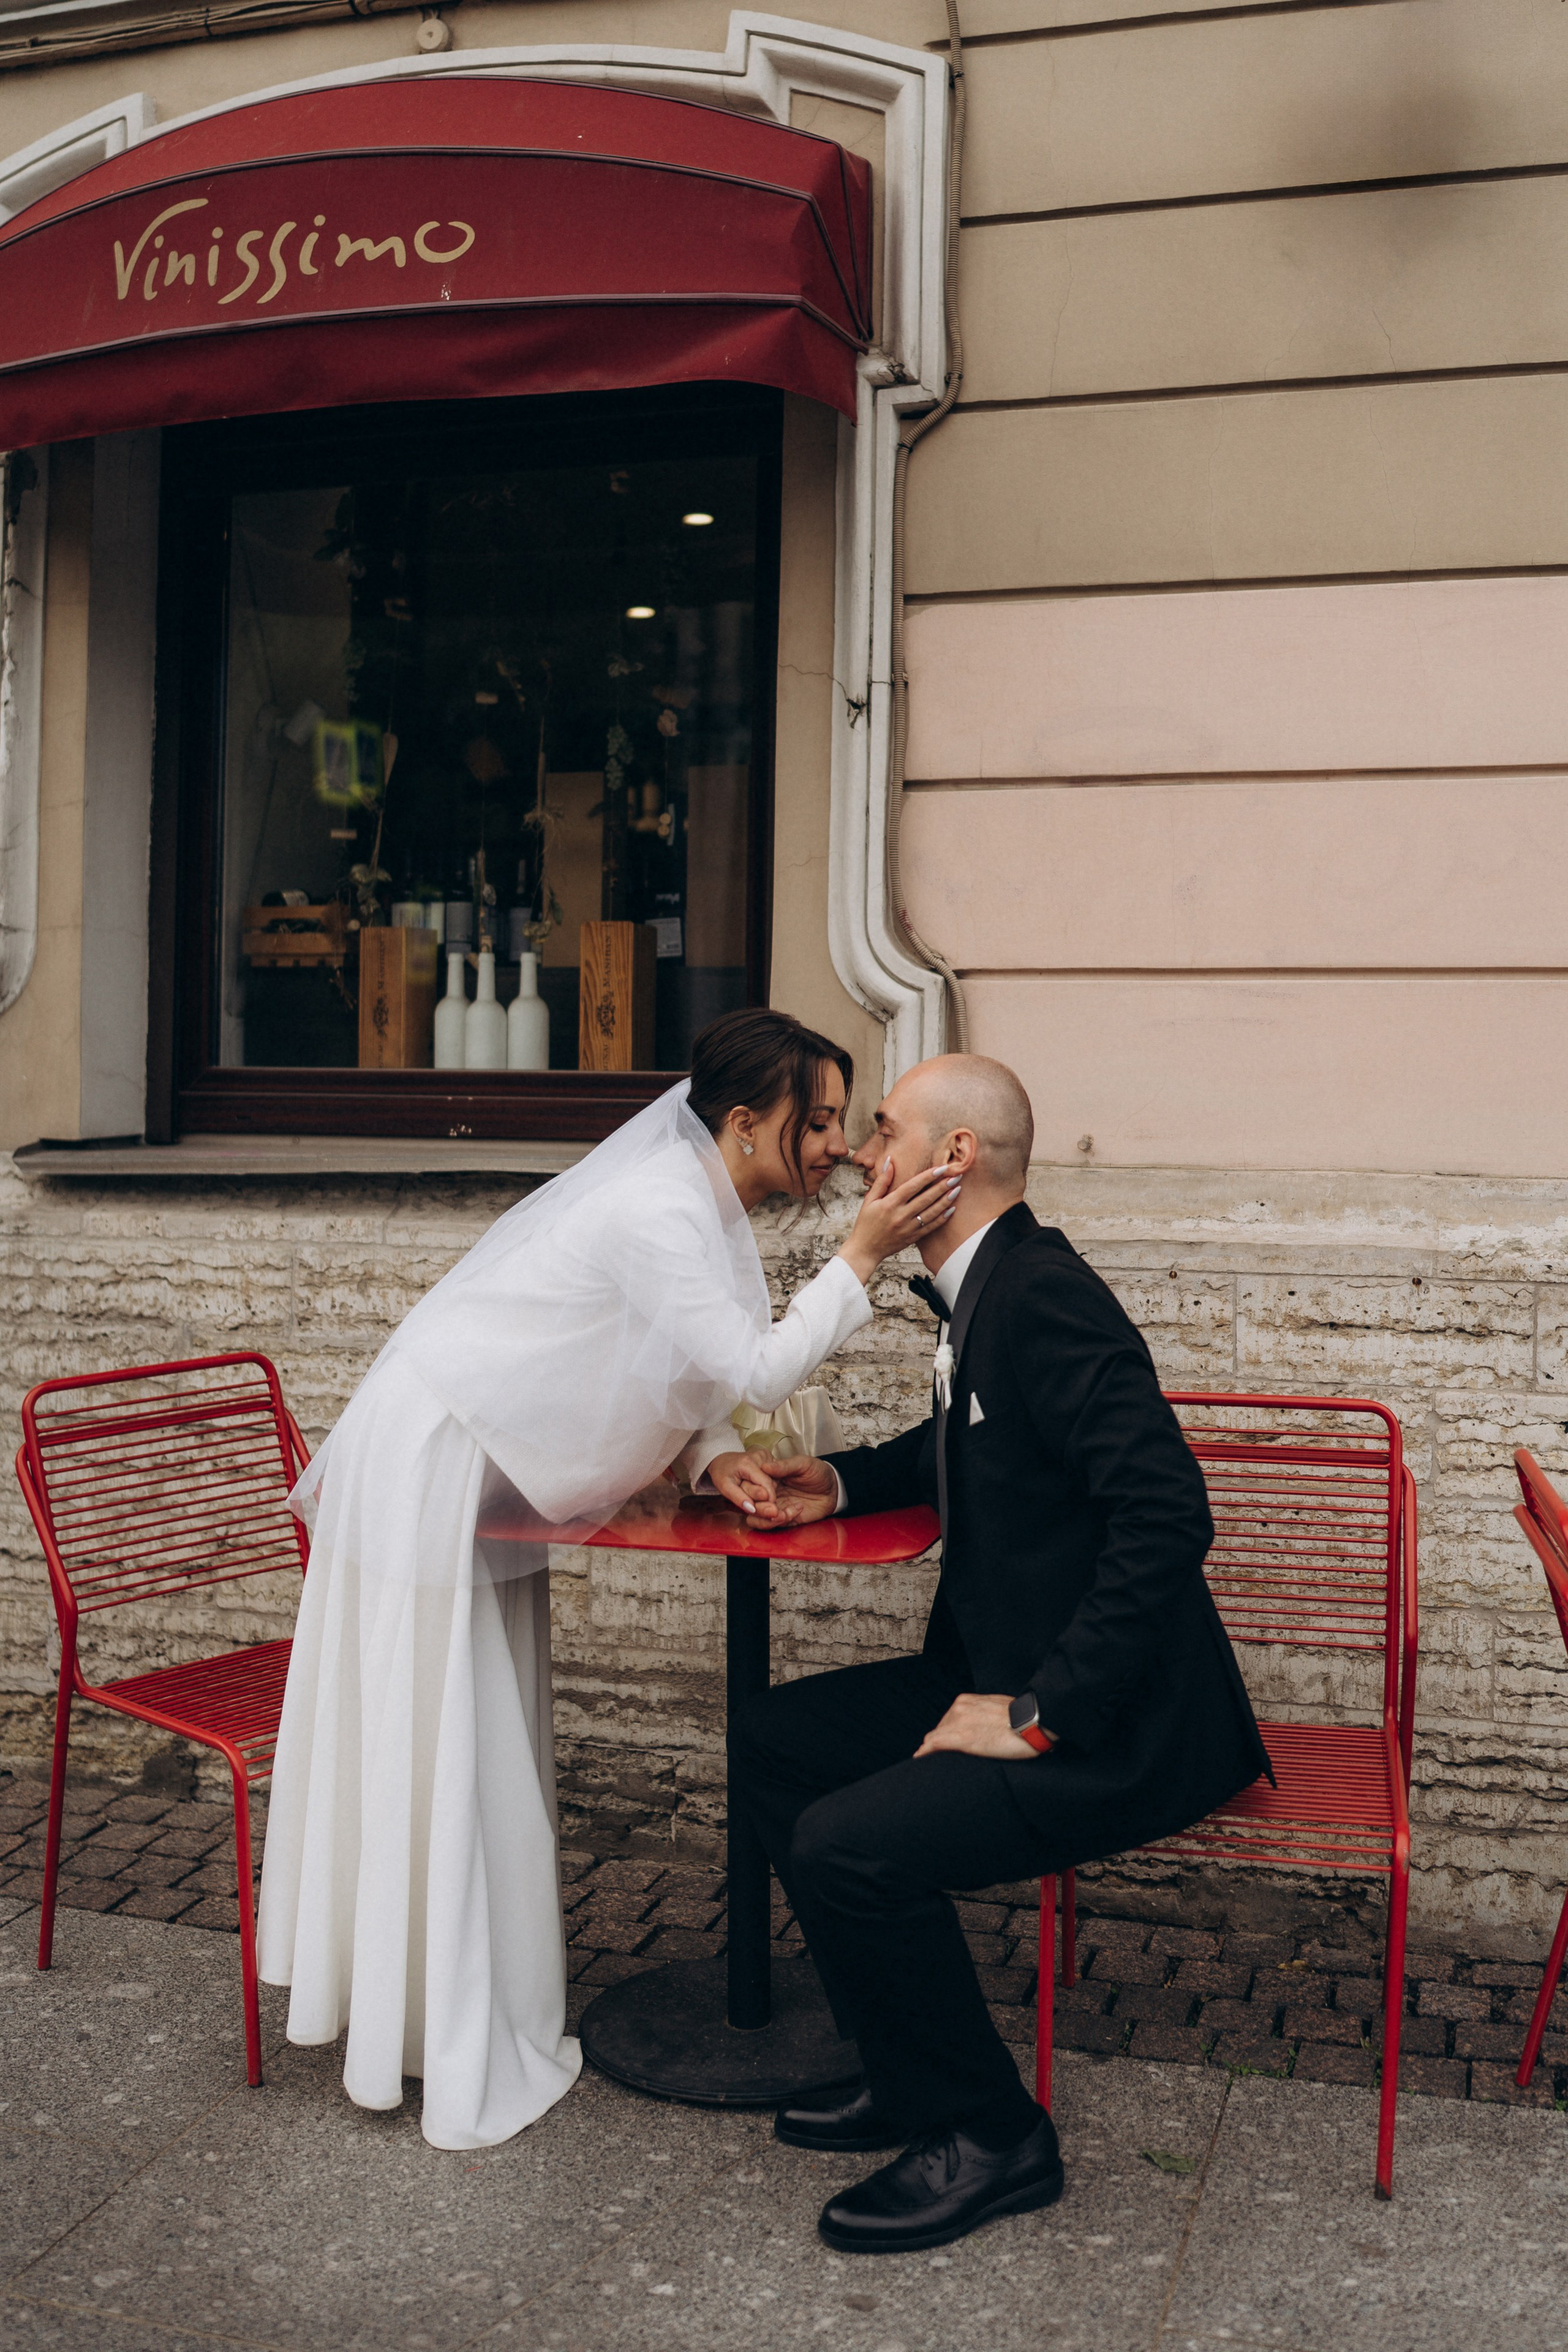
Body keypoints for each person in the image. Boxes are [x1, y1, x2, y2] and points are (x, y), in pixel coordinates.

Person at [256, 1009, 960, 2152]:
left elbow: (676, 1362)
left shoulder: (697, 1205)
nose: (839, 1147)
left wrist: (709, 1456)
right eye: (821, 1121)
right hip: (436, 1456)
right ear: (746, 1122)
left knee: (485, 1724)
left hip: (479, 1458)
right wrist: (865, 1253)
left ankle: (463, 1999)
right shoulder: (659, 1208)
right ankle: (416, 2017)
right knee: (437, 1725)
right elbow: (756, 1366)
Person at [722, 1052, 1272, 2255]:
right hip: (992, 1669)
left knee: (849, 1846)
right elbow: (967, 1438)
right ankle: (904, 2066)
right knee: (771, 1742)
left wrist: (1038, 1713)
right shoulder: (985, 1286)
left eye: (884, 1131)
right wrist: (835, 1482)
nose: (863, 1153)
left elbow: (1166, 1512)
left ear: (952, 1156)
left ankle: (990, 2135)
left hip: (1108, 1723)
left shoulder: (1041, 1293)